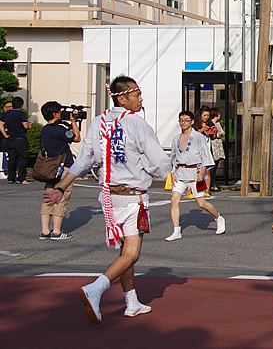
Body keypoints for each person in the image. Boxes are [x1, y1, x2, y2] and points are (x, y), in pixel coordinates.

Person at [44, 75, 171, 324]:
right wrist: (165, 173)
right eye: (137, 95)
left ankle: (131, 301)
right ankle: (97, 287)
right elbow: (159, 163)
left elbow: (84, 160)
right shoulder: (137, 124)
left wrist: (60, 187)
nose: (141, 99)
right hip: (133, 197)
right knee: (132, 253)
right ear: (122, 97)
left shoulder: (99, 121)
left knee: (124, 250)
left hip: (109, 197)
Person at [165, 111, 225, 241]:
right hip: (181, 172)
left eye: (186, 120)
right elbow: (173, 158)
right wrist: (172, 173)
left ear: (192, 122)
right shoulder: (176, 139)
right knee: (174, 200)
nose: (183, 123)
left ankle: (218, 217)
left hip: (195, 172)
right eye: (181, 120)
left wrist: (202, 172)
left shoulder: (199, 137)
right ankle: (176, 230)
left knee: (201, 203)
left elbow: (206, 156)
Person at [38, 101, 81, 240]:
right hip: (64, 166)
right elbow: (76, 138)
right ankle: (56, 231)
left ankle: (44, 231)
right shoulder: (59, 129)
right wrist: (74, 122)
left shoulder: (45, 130)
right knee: (61, 197)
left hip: (51, 168)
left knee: (48, 197)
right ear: (55, 114)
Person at [0, 96, 31, 184]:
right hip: (21, 138)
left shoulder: (6, 114)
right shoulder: (20, 114)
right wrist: (29, 125)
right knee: (22, 158)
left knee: (12, 158)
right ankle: (20, 178)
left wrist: (5, 135)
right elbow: (25, 126)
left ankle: (11, 177)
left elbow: (1, 125)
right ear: (21, 105)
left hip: (10, 139)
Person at [208, 107, 225, 192]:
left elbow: (222, 133)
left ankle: (212, 183)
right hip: (213, 146)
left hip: (218, 146)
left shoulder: (217, 124)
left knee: (215, 166)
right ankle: (211, 184)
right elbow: (215, 135)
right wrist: (219, 134)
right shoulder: (210, 124)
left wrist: (219, 134)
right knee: (212, 167)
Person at [0, 99, 10, 179]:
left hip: (12, 138)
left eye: (11, 106)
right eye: (8, 107)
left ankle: (10, 171)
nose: (10, 108)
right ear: (4, 108)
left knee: (11, 155)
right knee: (2, 153)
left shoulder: (14, 115)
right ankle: (1, 171)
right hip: (3, 138)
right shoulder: (3, 116)